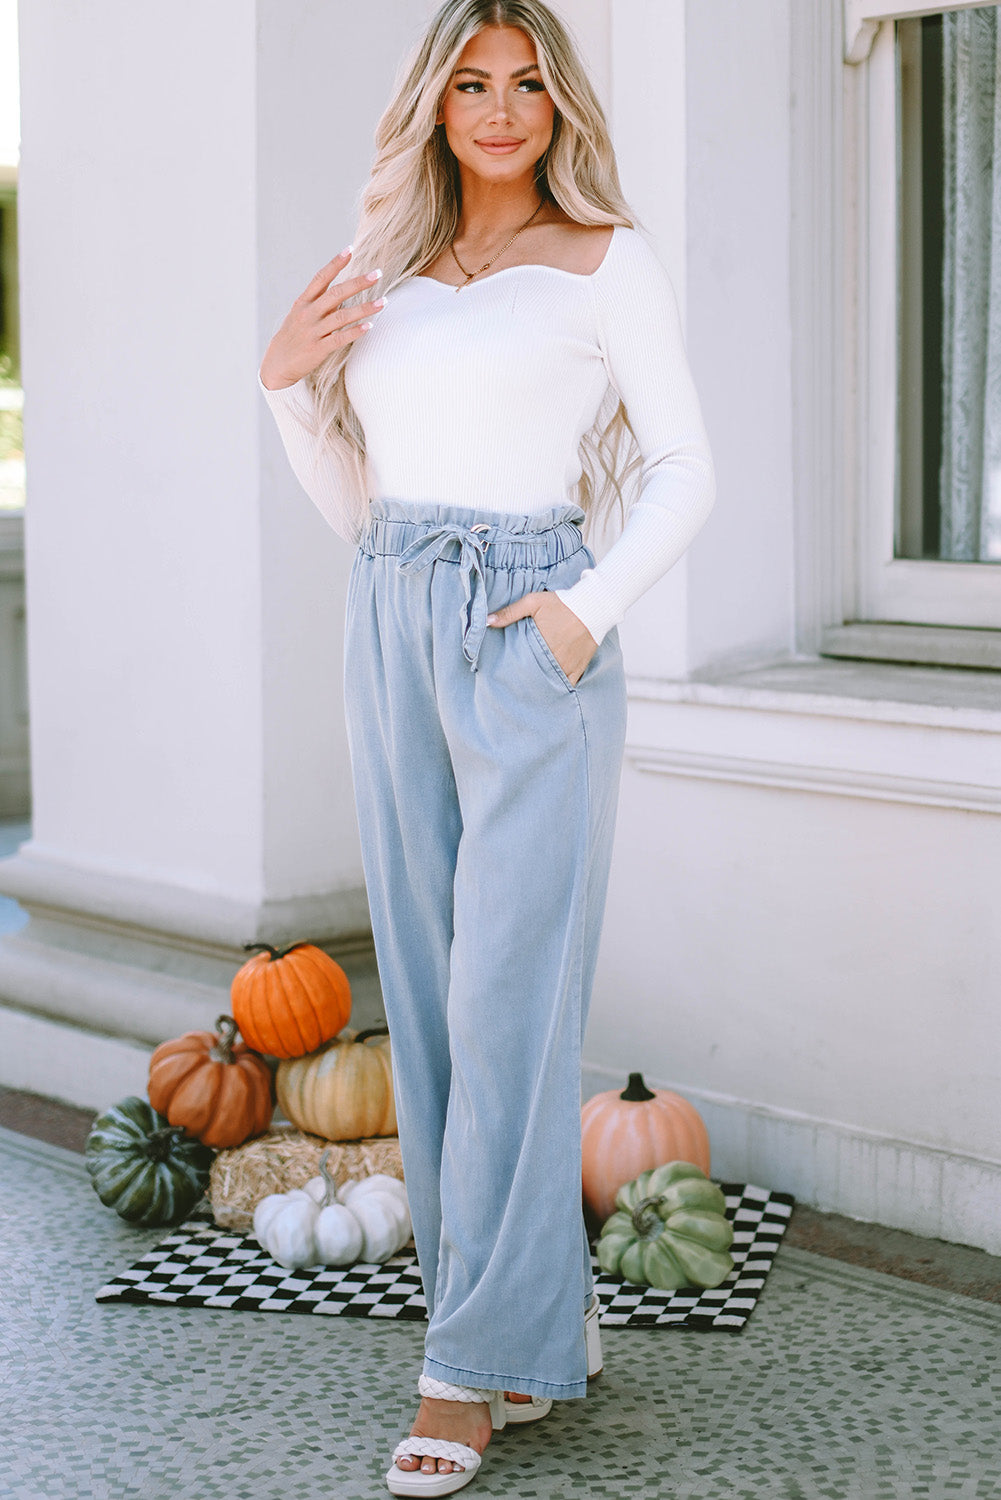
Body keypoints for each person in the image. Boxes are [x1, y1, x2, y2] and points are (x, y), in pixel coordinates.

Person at [259, 2, 715, 1492]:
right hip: (390, 613)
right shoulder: (379, 267)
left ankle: (461, 1372)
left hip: (530, 631)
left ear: (558, 102)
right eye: (471, 81)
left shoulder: (606, 259)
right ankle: (530, 1324)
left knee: (509, 998)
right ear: (436, 105)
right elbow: (354, 503)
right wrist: (284, 388)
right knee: (433, 997)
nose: (502, 106)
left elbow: (686, 470)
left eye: (526, 81)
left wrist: (582, 614)